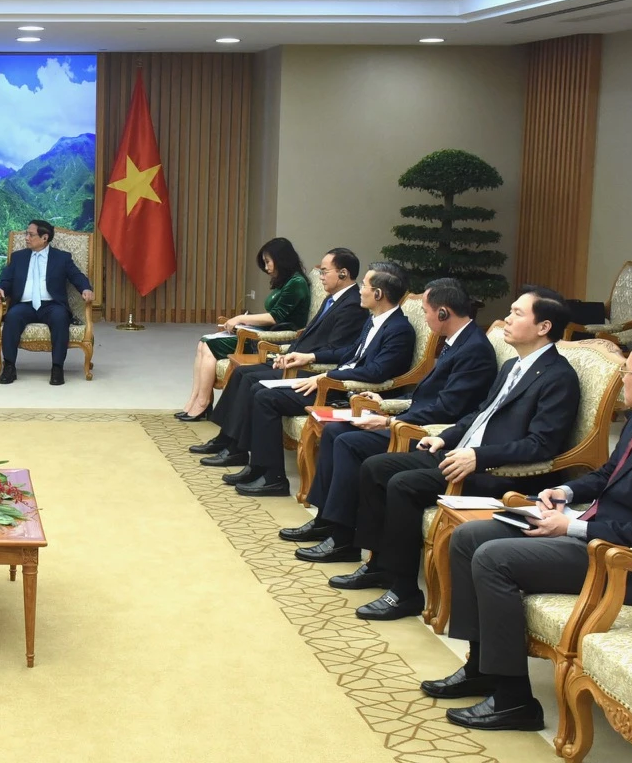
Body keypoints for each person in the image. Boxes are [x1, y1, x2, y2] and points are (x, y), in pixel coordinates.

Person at [427, 333, 632, 731]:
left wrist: (573, 527)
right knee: (469, 537)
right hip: (597, 533)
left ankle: (514, 700)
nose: (622, 379)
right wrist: (565, 491)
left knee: (494, 558)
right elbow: (607, 474)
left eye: (627, 372)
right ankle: (481, 666)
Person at [317, 287, 582, 622]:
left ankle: (404, 591)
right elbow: (480, 414)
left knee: (403, 484)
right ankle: (379, 565)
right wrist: (446, 437)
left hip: (497, 472)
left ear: (543, 327)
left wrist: (479, 456)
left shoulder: (558, 377)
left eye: (517, 314)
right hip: (463, 454)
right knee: (375, 466)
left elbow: (541, 445)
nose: (506, 320)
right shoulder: (514, 366)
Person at [280, 278, 496, 547]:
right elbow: (427, 397)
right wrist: (384, 402)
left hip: (428, 433)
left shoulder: (474, 349)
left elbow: (448, 409)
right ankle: (326, 520)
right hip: (415, 419)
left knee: (348, 442)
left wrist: (391, 420)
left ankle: (342, 537)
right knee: (335, 430)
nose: (425, 318)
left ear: (443, 312)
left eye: (427, 311)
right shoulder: (457, 340)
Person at [225, 263, 416, 498]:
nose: (360, 290)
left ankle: (273, 478)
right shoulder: (374, 320)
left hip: (345, 391)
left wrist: (327, 376)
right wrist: (311, 357)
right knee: (258, 389)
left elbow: (376, 372)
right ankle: (258, 468)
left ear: (378, 294)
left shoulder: (399, 329)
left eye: (365, 286)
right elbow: (349, 354)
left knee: (266, 397)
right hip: (334, 381)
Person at [193, 248, 366, 468]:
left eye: (325, 271)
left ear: (343, 273)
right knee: (241, 372)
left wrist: (305, 356)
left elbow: (341, 349)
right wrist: (286, 352)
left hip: (312, 370)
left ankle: (236, 449)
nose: (321, 277)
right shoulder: (333, 299)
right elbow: (308, 334)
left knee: (249, 379)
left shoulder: (352, 306)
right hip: (297, 360)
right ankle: (226, 439)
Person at [176, 237, 310, 421]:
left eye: (268, 262)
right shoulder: (288, 281)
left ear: (281, 259)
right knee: (203, 343)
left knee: (208, 345)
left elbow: (275, 316)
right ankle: (195, 400)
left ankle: (202, 403)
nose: (267, 267)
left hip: (274, 339)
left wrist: (240, 318)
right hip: (267, 332)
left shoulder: (296, 283)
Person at [0, 219, 96, 386]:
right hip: (24, 305)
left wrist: (86, 288)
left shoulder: (61, 258)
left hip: (51, 305)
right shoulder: (18, 257)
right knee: (12, 317)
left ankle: (57, 367)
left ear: (44, 238)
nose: (26, 237)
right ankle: (9, 366)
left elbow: (77, 276)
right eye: (26, 233)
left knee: (60, 317)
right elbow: (6, 280)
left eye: (30, 234)